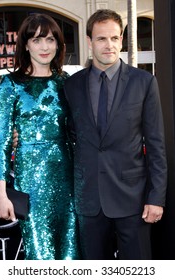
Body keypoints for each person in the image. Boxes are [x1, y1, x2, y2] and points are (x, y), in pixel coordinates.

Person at [64, 9, 167, 260]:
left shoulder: (143, 82)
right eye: (101, 39)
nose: (109, 45)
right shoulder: (71, 85)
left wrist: (156, 198)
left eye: (114, 38)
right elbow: (67, 135)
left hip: (133, 200)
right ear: (89, 42)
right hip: (89, 201)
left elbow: (155, 145)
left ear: (121, 39)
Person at [0, 13, 80, 260]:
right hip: (30, 182)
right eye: (38, 40)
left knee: (71, 254)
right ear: (26, 44)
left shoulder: (66, 82)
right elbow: (3, 143)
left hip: (68, 179)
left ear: (59, 44)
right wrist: (2, 193)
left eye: (51, 40)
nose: (45, 47)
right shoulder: (9, 84)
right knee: (40, 256)